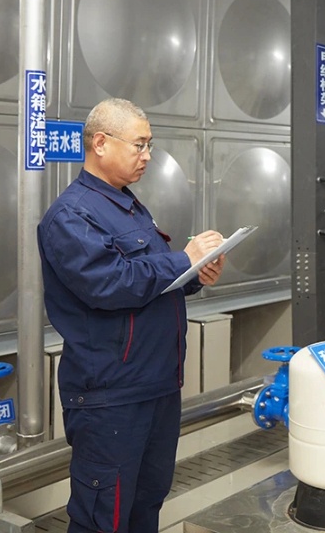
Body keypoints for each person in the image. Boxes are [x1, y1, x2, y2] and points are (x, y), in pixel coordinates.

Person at [38, 98, 226, 533]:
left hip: (156, 384)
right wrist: (182, 260)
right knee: (104, 516)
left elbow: (150, 282)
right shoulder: (71, 215)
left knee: (146, 502)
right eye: (139, 145)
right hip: (111, 395)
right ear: (101, 143)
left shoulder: (128, 206)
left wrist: (196, 274)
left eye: (149, 146)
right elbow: (109, 284)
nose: (147, 155)